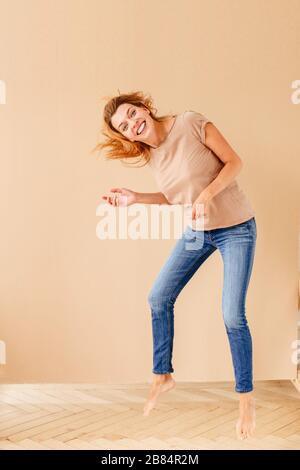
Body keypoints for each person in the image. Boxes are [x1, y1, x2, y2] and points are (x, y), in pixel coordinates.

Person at [95, 91, 257, 440]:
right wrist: (136, 199)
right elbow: (175, 195)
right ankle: (163, 374)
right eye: (125, 126)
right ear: (126, 136)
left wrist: (206, 196)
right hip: (199, 231)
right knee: (158, 297)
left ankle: (246, 400)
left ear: (143, 107)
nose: (132, 123)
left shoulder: (190, 123)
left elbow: (235, 163)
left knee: (232, 315)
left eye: (132, 114)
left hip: (236, 229)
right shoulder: (152, 156)